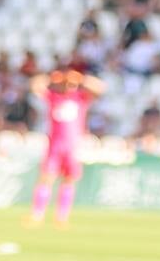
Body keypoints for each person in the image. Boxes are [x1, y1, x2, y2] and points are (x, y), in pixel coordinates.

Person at [27, 67, 106, 228]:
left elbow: (101, 88)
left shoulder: (80, 98)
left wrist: (81, 79)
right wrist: (53, 77)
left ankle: (61, 217)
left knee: (69, 181)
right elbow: (35, 85)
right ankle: (37, 215)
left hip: (72, 147)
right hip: (55, 145)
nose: (69, 86)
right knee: (46, 179)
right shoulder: (53, 97)